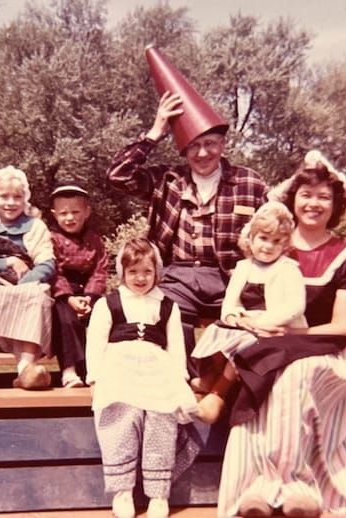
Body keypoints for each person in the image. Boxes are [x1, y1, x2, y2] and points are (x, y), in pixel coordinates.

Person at [217, 152, 346, 517]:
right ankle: (253, 489)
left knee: (290, 373)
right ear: (293, 198)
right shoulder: (271, 244)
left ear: (336, 205)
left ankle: (294, 487)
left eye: (324, 196)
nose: (314, 203)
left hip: (327, 351)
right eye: (307, 194)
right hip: (269, 345)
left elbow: (342, 327)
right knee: (264, 367)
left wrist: (286, 338)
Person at [107, 91, 267, 369]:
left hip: (229, 276)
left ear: (223, 144)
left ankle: (221, 389)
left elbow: (272, 232)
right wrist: (155, 132)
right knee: (167, 316)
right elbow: (118, 176)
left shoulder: (248, 181)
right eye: (193, 146)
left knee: (250, 325)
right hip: (177, 276)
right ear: (183, 150)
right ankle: (187, 384)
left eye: (210, 144)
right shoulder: (168, 179)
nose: (203, 153)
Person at [86, 238, 198, 518]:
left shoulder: (167, 306)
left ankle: (158, 494)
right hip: (119, 372)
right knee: (120, 420)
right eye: (133, 271)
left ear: (157, 271)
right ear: (122, 272)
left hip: (156, 373)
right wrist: (95, 379)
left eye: (147, 271)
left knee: (161, 421)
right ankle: (123, 492)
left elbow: (176, 347)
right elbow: (96, 343)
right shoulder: (108, 304)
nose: (140, 278)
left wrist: (179, 379)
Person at [190, 200, 306, 424]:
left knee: (244, 342)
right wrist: (234, 317)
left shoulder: (288, 269)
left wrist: (261, 322)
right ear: (251, 239)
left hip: (277, 330)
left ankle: (218, 394)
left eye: (276, 242)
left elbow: (295, 307)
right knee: (217, 330)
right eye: (263, 238)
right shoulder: (244, 268)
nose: (268, 246)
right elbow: (230, 303)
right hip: (247, 323)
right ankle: (212, 374)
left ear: (285, 245)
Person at [0, 166, 55, 391]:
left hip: (26, 283)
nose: (10, 202)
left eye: (17, 197)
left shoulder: (35, 227)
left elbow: (47, 263)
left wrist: (23, 283)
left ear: (25, 198)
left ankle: (26, 366)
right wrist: (6, 263)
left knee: (38, 296)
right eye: (4, 196)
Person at [49, 182, 108, 388]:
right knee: (66, 319)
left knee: (103, 319)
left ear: (87, 212)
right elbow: (53, 271)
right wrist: (69, 297)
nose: (70, 217)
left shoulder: (95, 240)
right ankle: (69, 370)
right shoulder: (52, 239)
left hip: (89, 292)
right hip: (64, 292)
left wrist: (91, 297)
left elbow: (100, 270)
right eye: (63, 213)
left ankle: (95, 369)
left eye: (75, 212)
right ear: (55, 214)